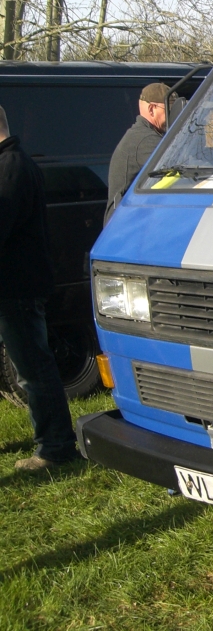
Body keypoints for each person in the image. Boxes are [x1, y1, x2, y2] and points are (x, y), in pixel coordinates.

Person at [0, 104, 80, 471]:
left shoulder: (11, 166)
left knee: (33, 370)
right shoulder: (12, 163)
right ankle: (54, 443)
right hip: (16, 283)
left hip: (17, 285)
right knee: (30, 368)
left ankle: (56, 447)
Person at [105, 82, 175, 223]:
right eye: (170, 110)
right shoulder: (145, 140)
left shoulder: (141, 134)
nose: (174, 116)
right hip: (126, 223)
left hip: (130, 219)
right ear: (152, 109)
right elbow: (181, 168)